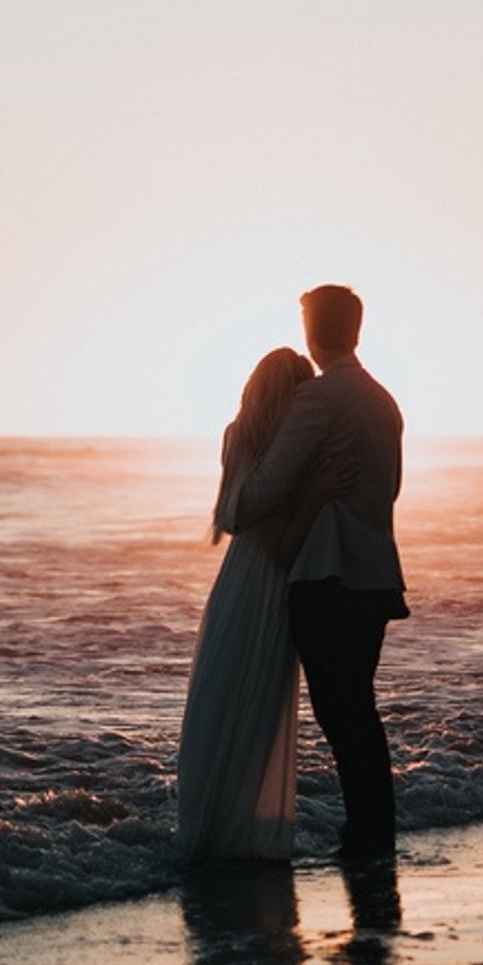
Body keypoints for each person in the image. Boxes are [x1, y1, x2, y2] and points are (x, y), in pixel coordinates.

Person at [233, 284, 407, 859]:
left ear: (311, 332)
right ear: (356, 330)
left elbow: (262, 493)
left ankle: (366, 837)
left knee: (342, 714)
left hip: (326, 580)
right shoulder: (384, 401)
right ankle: (372, 831)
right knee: (359, 709)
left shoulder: (319, 399)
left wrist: (250, 487)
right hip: (376, 576)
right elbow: (393, 490)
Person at [177, 346, 336, 862]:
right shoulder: (271, 455)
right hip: (267, 588)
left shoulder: (239, 438)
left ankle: (216, 826)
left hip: (236, 582)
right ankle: (234, 837)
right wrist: (318, 496)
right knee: (254, 711)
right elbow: (280, 544)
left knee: (223, 704)